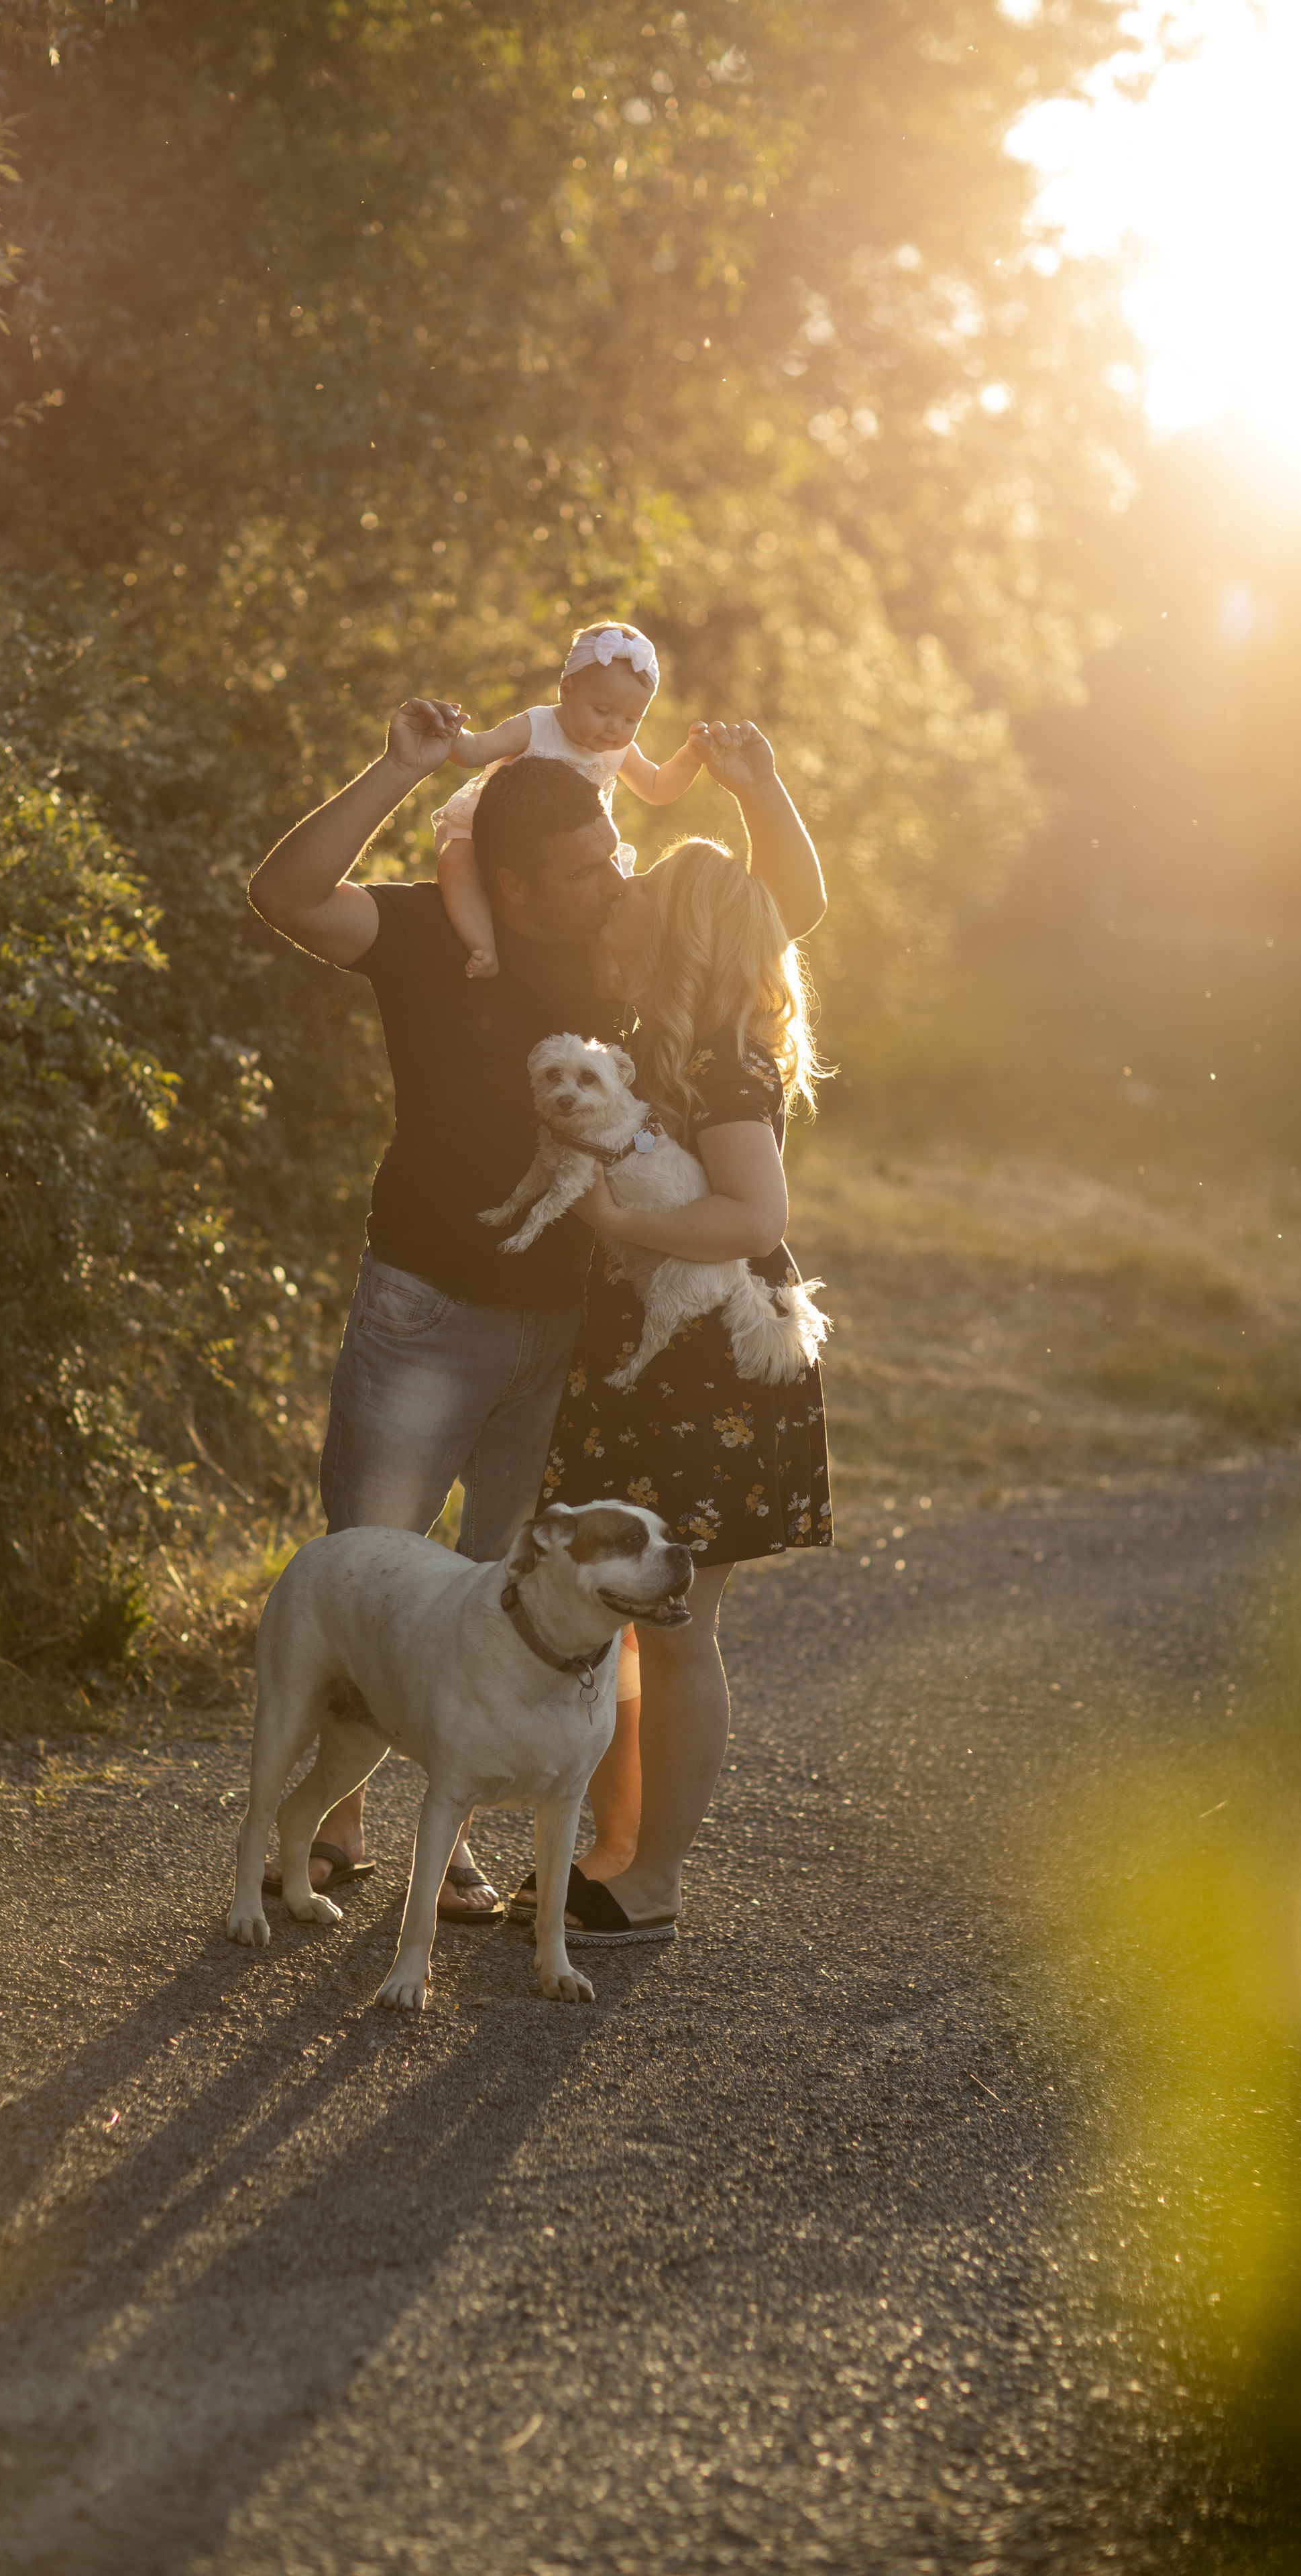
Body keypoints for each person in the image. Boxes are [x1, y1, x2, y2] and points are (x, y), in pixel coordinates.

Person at [247, 694, 825, 1916]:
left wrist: (755, 789)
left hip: (574, 1332)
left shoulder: (629, 956)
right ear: (511, 884)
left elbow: (768, 911)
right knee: (371, 1573)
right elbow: (285, 895)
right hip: (429, 1313)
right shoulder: (430, 933)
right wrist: (398, 771)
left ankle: (457, 1844)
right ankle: (333, 1828)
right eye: (586, 871)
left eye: (620, 861)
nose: (614, 884)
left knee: (505, 1596)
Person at [508, 820, 832, 1947]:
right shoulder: (658, 1038)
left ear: (684, 925)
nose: (622, 888)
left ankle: (652, 1881)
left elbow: (753, 1214)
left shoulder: (723, 1063)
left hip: (709, 1368)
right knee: (621, 1615)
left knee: (678, 1625)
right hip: (649, 1353)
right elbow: (787, 902)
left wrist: (610, 1216)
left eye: (642, 880)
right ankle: (611, 1852)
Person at [432, 621, 704, 977]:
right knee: (456, 860)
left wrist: (690, 757)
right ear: (566, 690)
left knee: (614, 893)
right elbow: (477, 750)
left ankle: (609, 973)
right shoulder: (537, 726)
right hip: (499, 829)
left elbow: (657, 788)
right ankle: (482, 945)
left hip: (576, 852)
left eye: (631, 719)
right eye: (602, 711)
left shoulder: (618, 750)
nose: (615, 727)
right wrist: (452, 733)